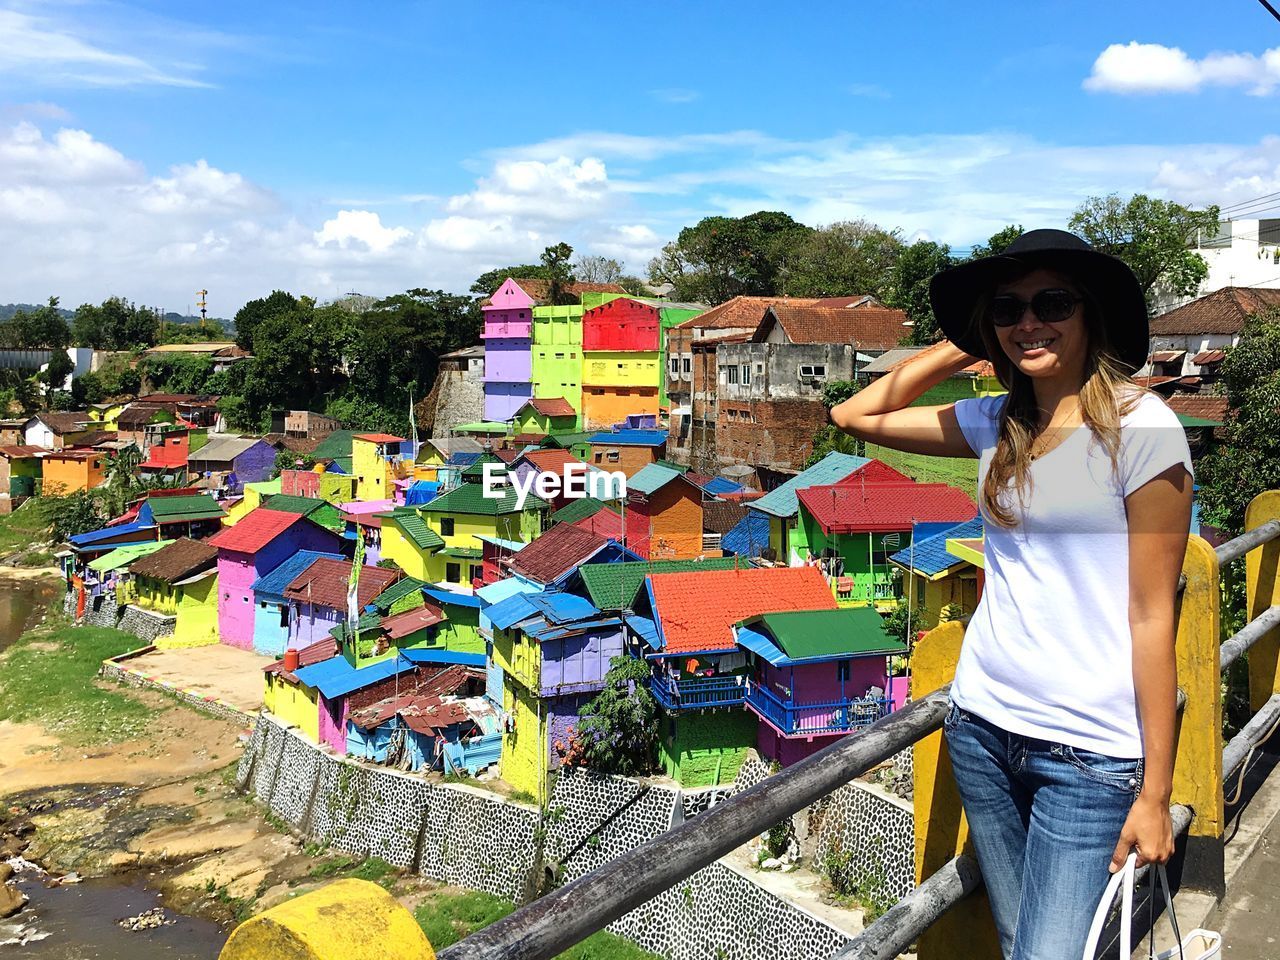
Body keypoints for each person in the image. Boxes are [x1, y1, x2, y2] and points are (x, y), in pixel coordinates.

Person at [829, 229, 1192, 959]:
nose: (1029, 322)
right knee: (1018, 940)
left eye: (1050, 303)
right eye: (1008, 309)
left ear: (1089, 313)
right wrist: (966, 344)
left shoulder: (1143, 431)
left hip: (1089, 754)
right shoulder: (997, 423)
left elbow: (1154, 616)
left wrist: (1155, 793)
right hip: (984, 725)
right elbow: (854, 416)